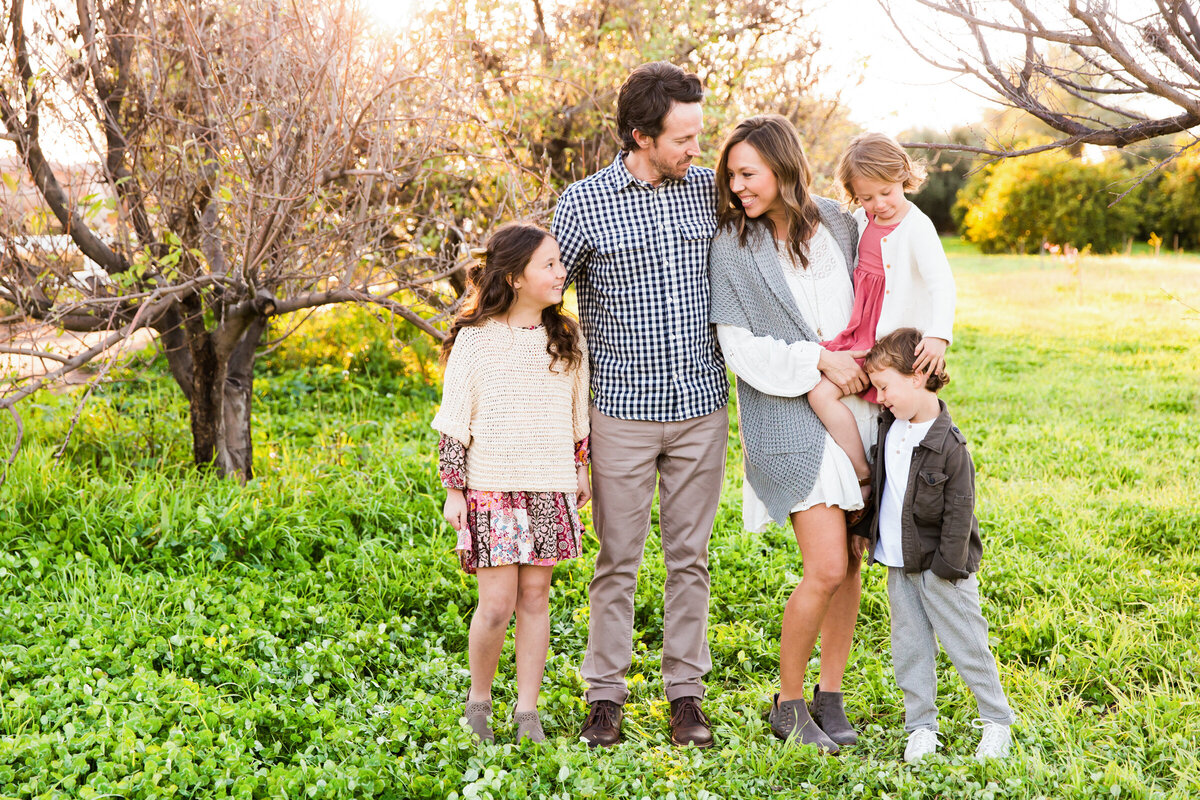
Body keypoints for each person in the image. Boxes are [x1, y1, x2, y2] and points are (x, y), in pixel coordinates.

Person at [551, 61, 729, 749]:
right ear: (640, 135)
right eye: (683, 138)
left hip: (701, 407)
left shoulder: (708, 194)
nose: (695, 150)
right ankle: (605, 698)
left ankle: (686, 695)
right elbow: (543, 301)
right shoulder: (583, 204)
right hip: (620, 412)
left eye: (698, 134)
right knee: (616, 562)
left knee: (691, 557)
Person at [707, 114, 874, 754]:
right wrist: (816, 363)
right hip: (785, 414)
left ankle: (831, 696)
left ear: (782, 167)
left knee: (851, 562)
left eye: (748, 173)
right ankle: (788, 702)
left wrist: (873, 365)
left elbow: (880, 291)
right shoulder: (734, 244)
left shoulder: (838, 222)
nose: (738, 186)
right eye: (732, 175)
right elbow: (739, 347)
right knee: (826, 564)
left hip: (856, 407)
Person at [432, 222, 592, 745]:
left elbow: (576, 418)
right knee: (497, 603)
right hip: (491, 488)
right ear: (516, 276)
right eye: (548, 265)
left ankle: (527, 711)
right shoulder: (475, 341)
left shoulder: (566, 338)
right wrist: (454, 489)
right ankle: (479, 701)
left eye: (560, 263)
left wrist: (580, 471)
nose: (560, 272)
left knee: (536, 597)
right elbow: (455, 419)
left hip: (549, 486)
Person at [861, 327, 1015, 761]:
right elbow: (883, 493)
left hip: (942, 568)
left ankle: (997, 720)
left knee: (967, 642)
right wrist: (864, 536)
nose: (880, 397)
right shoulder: (889, 427)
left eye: (885, 386)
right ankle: (921, 727)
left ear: (916, 377)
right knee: (909, 647)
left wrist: (948, 569)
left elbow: (960, 511)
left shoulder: (949, 445)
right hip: (898, 561)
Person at [805, 132, 957, 524]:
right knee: (822, 395)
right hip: (860, 336)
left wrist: (939, 335)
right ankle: (862, 471)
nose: (879, 205)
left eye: (886, 192)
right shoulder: (860, 219)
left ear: (904, 176)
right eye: (867, 197)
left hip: (890, 345)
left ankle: (918, 488)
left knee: (904, 413)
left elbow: (942, 282)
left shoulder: (917, 226)